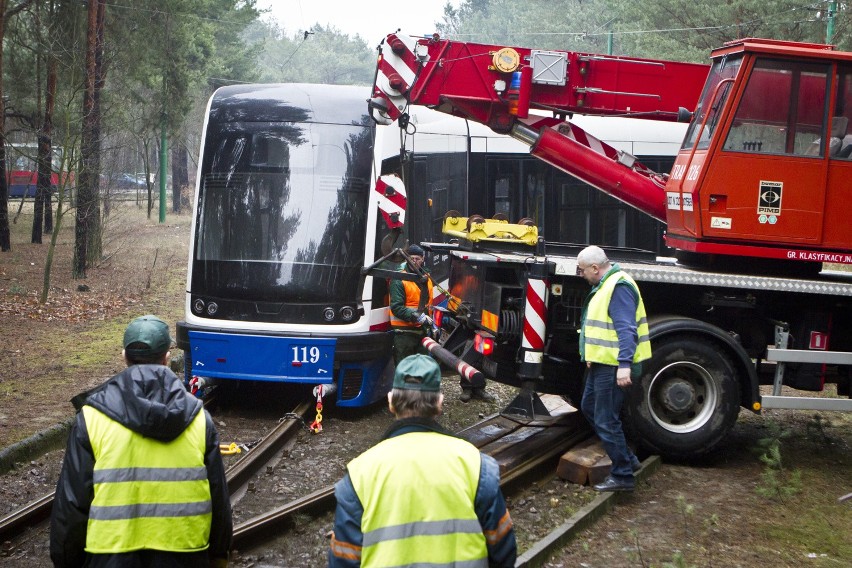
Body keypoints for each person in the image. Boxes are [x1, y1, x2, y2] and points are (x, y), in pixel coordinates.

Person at [50, 315, 233, 568]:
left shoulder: (92, 418)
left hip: (109, 556)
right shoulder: (199, 420)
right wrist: (218, 555)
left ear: (123, 357)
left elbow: (72, 504)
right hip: (186, 555)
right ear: (167, 359)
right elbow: (218, 500)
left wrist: (67, 560)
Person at [328, 354, 517, 567]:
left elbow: (343, 560)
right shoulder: (475, 465)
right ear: (439, 403)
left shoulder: (360, 474)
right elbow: (504, 552)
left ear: (391, 402)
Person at [576, 246, 651, 492]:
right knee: (589, 407)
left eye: (583, 270)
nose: (581, 275)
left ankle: (622, 476)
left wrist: (624, 366)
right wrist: (590, 355)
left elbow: (626, 329)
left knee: (607, 419)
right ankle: (628, 460)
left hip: (612, 366)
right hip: (600, 363)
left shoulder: (618, 287)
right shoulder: (606, 284)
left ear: (595, 268)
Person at [389, 244, 434, 365]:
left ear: (423, 259)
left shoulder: (427, 278)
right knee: (405, 373)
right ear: (406, 259)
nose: (414, 261)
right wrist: (417, 316)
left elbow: (428, 303)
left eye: (417, 258)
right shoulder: (399, 279)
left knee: (421, 372)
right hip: (404, 335)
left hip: (422, 333)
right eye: (411, 258)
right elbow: (397, 307)